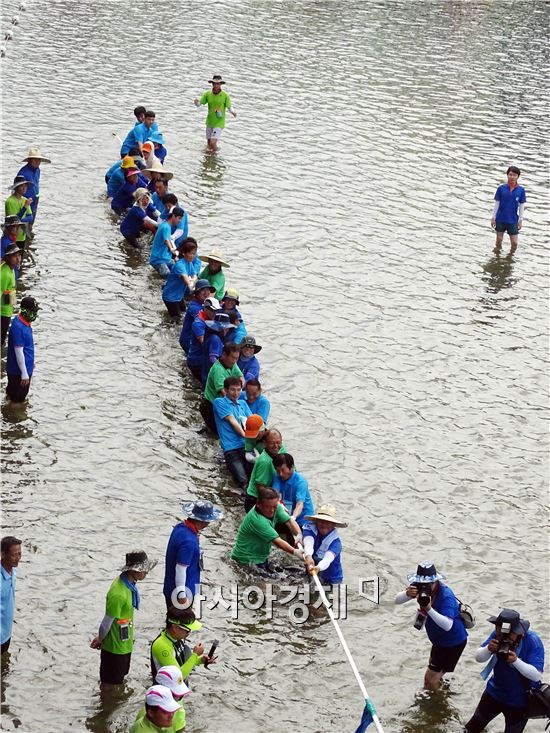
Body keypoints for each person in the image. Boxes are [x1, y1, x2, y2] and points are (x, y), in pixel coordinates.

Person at [464, 608, 544, 733]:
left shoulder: (532, 641)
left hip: (518, 702)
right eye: (500, 630)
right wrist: (489, 649)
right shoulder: (497, 635)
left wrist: (515, 661)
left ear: (520, 632)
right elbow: (479, 657)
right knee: (470, 730)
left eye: (509, 633)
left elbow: (536, 676)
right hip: (494, 694)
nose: (504, 636)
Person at [394, 562, 468, 691]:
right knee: (435, 672)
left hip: (452, 641)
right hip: (439, 641)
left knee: (429, 680)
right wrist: (407, 594)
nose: (425, 588)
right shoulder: (418, 588)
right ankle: (441, 693)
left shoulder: (446, 596)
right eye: (421, 584)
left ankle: (436, 704)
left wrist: (428, 609)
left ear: (435, 582)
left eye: (428, 584)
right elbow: (397, 600)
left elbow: (447, 625)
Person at [90, 550, 156, 687]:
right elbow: (105, 623)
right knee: (110, 685)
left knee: (120, 681)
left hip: (125, 644)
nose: (146, 573)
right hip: (115, 649)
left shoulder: (129, 586)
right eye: (144, 570)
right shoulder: (118, 594)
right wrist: (100, 639)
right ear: (134, 571)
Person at [163, 500, 223, 609]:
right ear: (205, 521)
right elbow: (180, 569)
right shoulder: (189, 541)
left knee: (173, 623)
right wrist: (182, 596)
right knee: (181, 625)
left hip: (171, 588)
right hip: (181, 593)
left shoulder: (180, 527)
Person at [231, 486, 303, 571]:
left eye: (274, 506)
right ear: (258, 504)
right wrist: (295, 552)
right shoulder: (257, 520)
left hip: (262, 557)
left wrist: (299, 534)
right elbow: (278, 541)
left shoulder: (276, 506)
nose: (272, 510)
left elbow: (289, 521)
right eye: (268, 507)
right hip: (246, 560)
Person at [150, 606, 216, 683]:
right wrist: (195, 655)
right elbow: (178, 676)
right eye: (188, 630)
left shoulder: (175, 637)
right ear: (175, 628)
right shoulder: (161, 646)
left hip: (178, 688)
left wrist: (201, 660)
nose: (189, 633)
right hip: (167, 690)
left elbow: (183, 664)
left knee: (186, 649)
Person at [213, 376, 253, 490]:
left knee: (254, 478)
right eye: (232, 389)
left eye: (238, 389)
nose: (236, 393)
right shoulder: (219, 402)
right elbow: (232, 421)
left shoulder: (243, 404)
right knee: (243, 481)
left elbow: (253, 422)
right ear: (225, 390)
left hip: (246, 446)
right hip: (231, 448)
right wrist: (246, 436)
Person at [200, 342, 243, 435]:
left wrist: (240, 391)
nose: (235, 361)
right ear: (224, 355)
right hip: (209, 406)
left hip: (220, 404)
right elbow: (223, 392)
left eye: (237, 358)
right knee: (218, 435)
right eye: (233, 358)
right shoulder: (218, 370)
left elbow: (241, 378)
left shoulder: (232, 363)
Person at [133, 668, 190, 733]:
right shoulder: (143, 726)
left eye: (181, 695)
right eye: (174, 695)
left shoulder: (169, 718)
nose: (179, 697)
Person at [5, 296, 40, 403]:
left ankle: (6, 412)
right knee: (18, 401)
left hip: (20, 369)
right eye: (34, 311)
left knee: (11, 395)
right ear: (26, 311)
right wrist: (24, 374)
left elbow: (26, 347)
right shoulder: (19, 328)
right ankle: (15, 417)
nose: (35, 314)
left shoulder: (23, 322)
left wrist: (30, 362)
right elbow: (19, 352)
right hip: (18, 374)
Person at [303, 504, 346, 585]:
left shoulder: (336, 543)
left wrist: (318, 568)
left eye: (328, 522)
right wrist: (308, 556)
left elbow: (327, 559)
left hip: (331, 578)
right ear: (316, 521)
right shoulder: (309, 528)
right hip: (312, 566)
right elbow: (308, 542)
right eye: (321, 521)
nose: (324, 525)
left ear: (333, 525)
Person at [244, 429, 285, 512]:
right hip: (255, 500)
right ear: (265, 443)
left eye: (278, 442)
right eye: (272, 443)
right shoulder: (265, 462)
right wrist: (275, 502)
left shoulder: (279, 453)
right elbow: (260, 486)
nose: (276, 446)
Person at [193, 74, 237, 152]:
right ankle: (211, 159)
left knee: (213, 142)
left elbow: (229, 107)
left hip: (219, 122)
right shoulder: (207, 94)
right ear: (212, 83)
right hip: (210, 121)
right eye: (214, 83)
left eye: (218, 83)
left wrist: (233, 112)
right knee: (209, 143)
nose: (216, 85)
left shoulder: (225, 96)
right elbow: (200, 104)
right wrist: (196, 103)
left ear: (221, 84)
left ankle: (216, 153)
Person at [162, 239, 200, 320]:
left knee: (184, 312)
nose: (193, 256)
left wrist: (193, 281)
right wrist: (191, 285)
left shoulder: (189, 263)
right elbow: (185, 278)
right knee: (177, 319)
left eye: (194, 254)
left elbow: (195, 275)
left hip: (178, 295)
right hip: (170, 297)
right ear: (184, 253)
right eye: (190, 253)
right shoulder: (180, 265)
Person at [491, 166, 526, 256]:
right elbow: (497, 203)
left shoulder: (521, 190)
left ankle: (509, 258)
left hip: (513, 220)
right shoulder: (501, 188)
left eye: (514, 175)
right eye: (510, 174)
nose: (512, 177)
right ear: (507, 175)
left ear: (518, 176)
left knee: (514, 243)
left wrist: (520, 220)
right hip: (500, 218)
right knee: (499, 240)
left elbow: (521, 205)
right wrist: (493, 217)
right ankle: (497, 257)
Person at [272, 453, 314, 527]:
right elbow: (274, 494)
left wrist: (293, 517)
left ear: (291, 467)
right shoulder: (277, 477)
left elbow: (299, 504)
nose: (281, 474)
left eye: (283, 470)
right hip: (287, 515)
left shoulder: (301, 482)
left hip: (303, 520)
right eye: (278, 471)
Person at [186, 296, 221, 381]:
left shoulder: (211, 319)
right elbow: (203, 343)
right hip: (196, 360)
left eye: (216, 311)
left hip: (203, 358)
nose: (214, 313)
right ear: (205, 308)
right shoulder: (198, 323)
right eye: (212, 310)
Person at [179, 279, 216, 354]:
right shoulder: (194, 307)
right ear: (197, 292)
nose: (206, 293)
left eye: (208, 290)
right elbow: (201, 317)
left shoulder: (203, 304)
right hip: (188, 339)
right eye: (203, 290)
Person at [17, 147, 51, 228]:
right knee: (22, 224)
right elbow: (17, 189)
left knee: (31, 223)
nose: (37, 162)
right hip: (25, 201)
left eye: (39, 160)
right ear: (30, 160)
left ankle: (29, 234)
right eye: (35, 159)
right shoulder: (23, 173)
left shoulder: (38, 170)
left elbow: (36, 183)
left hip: (35, 200)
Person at [1, 536, 22, 655]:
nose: (18, 558)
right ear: (3, 554)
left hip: (6, 633)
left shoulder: (13, 571)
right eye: (14, 555)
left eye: (20, 554)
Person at [202, 312, 237, 383]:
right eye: (226, 328)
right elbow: (212, 359)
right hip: (211, 375)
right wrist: (223, 370)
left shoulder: (211, 335)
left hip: (206, 372)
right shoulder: (215, 339)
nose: (227, 330)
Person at [149, 207, 184, 278]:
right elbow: (166, 240)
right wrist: (171, 249)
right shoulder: (166, 227)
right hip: (158, 259)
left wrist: (174, 255)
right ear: (173, 216)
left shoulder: (165, 225)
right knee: (168, 277)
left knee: (178, 270)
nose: (180, 221)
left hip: (165, 258)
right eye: (179, 218)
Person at [1, 244, 22, 345]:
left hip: (8, 310)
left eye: (19, 255)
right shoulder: (4, 273)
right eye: (14, 256)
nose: (18, 258)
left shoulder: (12, 269)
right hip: (2, 313)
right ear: (8, 257)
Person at [4, 176, 33, 244]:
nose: (24, 188)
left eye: (25, 186)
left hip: (22, 235)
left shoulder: (25, 199)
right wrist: (25, 207)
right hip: (12, 236)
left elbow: (30, 217)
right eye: (21, 186)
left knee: (21, 253)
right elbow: (14, 220)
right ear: (16, 187)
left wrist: (21, 221)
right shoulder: (10, 201)